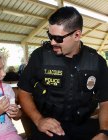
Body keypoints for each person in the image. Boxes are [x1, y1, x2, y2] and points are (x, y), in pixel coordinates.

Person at [18, 6, 108, 140]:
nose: (52, 42)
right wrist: (39, 120)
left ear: (77, 35)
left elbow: (105, 101)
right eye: (50, 36)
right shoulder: (40, 56)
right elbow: (24, 92)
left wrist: (104, 132)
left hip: (82, 124)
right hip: (48, 125)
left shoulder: (97, 62)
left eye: (58, 38)